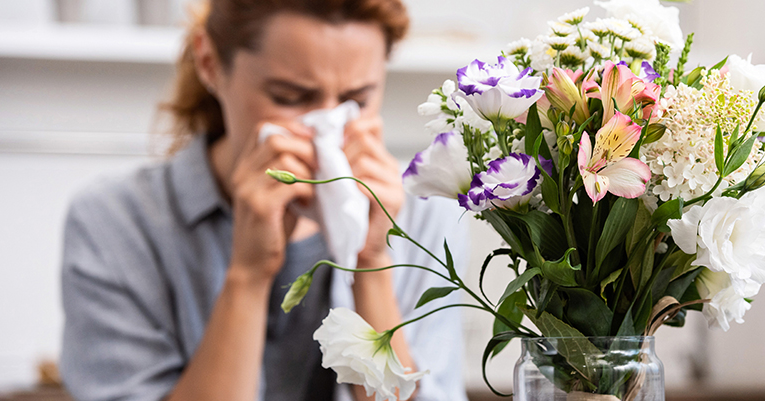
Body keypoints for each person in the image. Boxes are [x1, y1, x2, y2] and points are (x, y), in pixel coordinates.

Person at [58, 1, 469, 400]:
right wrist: (248, 276)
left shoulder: (422, 212)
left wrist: (373, 261)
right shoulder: (115, 224)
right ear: (210, 64)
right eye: (290, 97)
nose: (326, 127)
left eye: (355, 101)